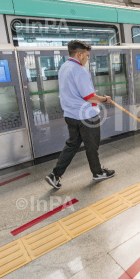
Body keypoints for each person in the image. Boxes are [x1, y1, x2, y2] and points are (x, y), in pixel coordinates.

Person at [45, 40, 115, 190]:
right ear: (79, 54)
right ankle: (98, 173)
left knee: (71, 145)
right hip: (87, 117)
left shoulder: (64, 67)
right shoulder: (80, 70)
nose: (87, 59)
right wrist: (105, 99)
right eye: (87, 55)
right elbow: (89, 96)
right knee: (92, 146)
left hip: (71, 115)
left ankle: (55, 175)